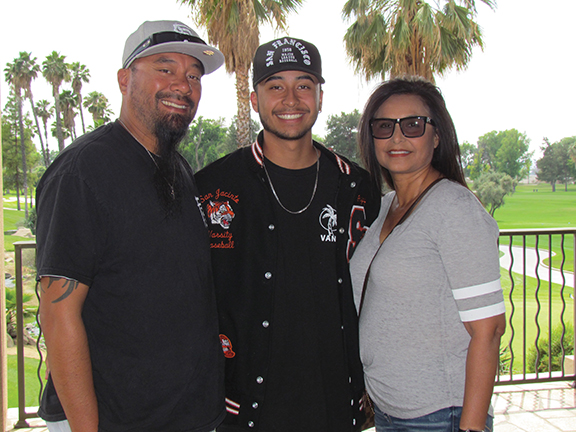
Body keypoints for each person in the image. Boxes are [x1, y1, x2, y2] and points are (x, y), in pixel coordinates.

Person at [36, 20, 226, 432]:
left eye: (193, 75)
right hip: (113, 420)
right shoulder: (83, 172)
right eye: (165, 68)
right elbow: (57, 314)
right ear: (125, 80)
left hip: (183, 415)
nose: (183, 84)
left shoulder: (177, 167)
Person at [194, 37, 381, 431]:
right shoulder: (212, 186)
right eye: (275, 86)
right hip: (241, 406)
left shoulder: (355, 187)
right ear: (254, 99)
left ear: (320, 96)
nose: (290, 99)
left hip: (334, 402)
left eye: (304, 85)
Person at [350, 76, 506, 432]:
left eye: (414, 125)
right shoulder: (384, 208)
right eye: (385, 126)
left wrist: (471, 427)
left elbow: (489, 330)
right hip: (390, 410)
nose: (398, 138)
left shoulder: (454, 208)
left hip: (441, 414)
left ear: (437, 136)